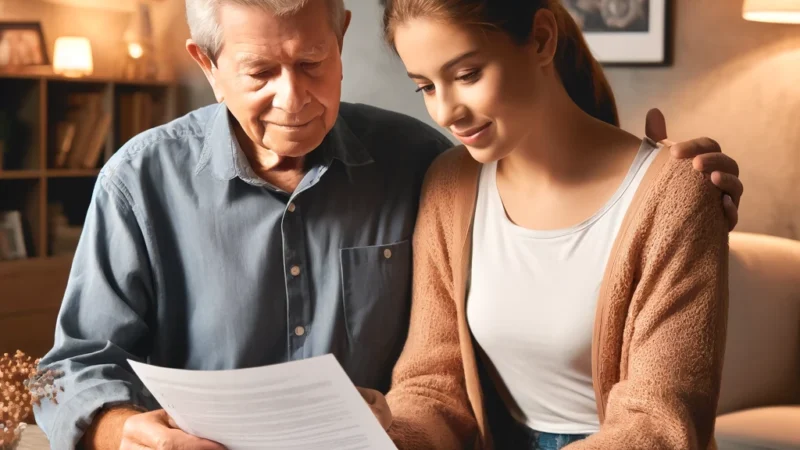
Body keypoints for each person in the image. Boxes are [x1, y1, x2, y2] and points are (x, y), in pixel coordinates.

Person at [32, 0, 741, 449]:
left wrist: (672, 184)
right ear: (207, 66)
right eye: (259, 73)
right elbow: (70, 369)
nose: (294, 98)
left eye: (313, 62)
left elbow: (651, 410)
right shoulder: (140, 181)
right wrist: (123, 433)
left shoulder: (421, 162)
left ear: (340, 34)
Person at [382, 0, 732, 449]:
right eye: (426, 87)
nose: (446, 112)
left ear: (542, 40)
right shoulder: (449, 184)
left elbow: (659, 422)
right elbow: (433, 384)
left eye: (467, 75)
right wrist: (387, 436)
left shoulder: (676, 194)